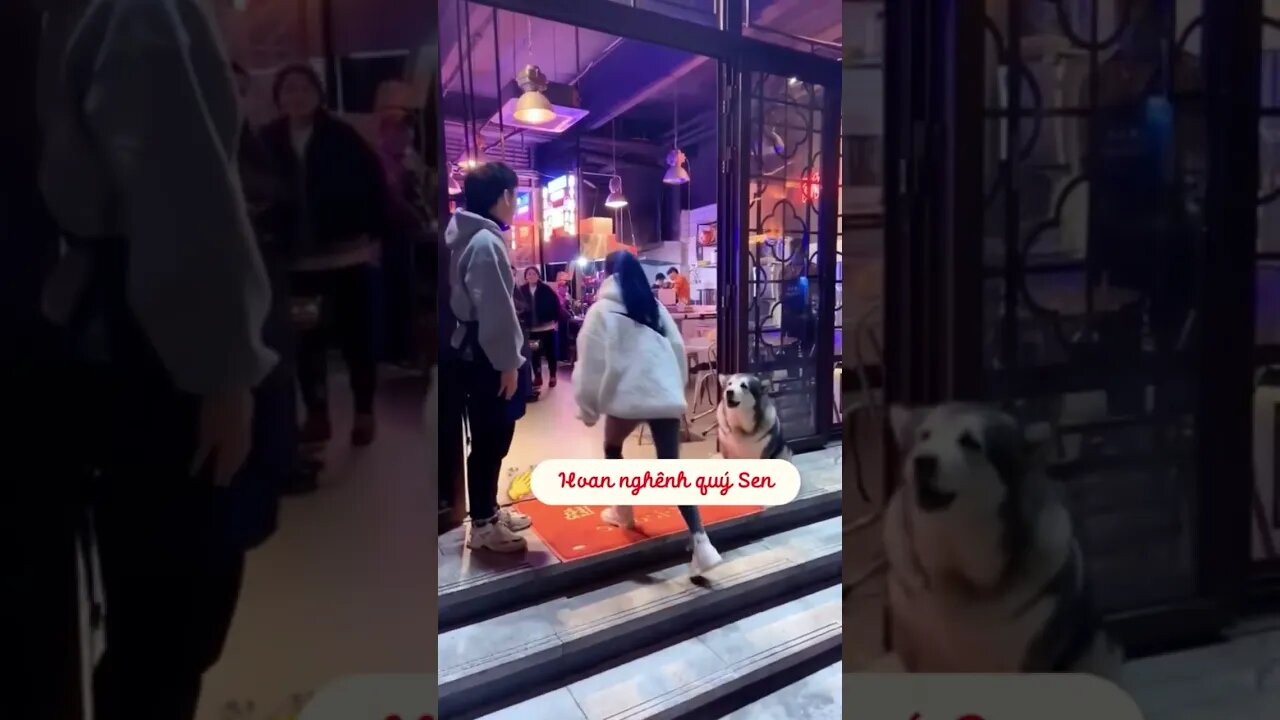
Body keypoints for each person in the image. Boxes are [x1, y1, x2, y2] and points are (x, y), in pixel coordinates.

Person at [30, 1, 278, 717]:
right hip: (154, 343)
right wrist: (225, 372)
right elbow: (183, 196)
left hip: (85, 322)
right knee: (176, 614)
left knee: (135, 597)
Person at [261, 63, 390, 448]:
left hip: (346, 255)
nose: (296, 96)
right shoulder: (267, 139)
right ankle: (317, 413)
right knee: (306, 342)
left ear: (318, 94)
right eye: (288, 90)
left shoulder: (341, 136)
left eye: (303, 88)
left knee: (356, 337)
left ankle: (364, 411)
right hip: (296, 261)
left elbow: (373, 183)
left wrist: (371, 232)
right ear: (279, 98)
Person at [574, 251, 722, 575]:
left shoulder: (600, 311)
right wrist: (674, 387)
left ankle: (623, 511)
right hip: (663, 394)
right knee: (672, 467)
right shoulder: (654, 307)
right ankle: (701, 540)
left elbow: (589, 363)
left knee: (612, 448)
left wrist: (587, 408)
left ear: (607, 276)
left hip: (628, 398)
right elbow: (678, 349)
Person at [447, 162, 534, 552]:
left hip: (481, 353)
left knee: (493, 437)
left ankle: (489, 510)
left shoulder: (475, 237)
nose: (514, 204)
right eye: (514, 195)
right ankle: (482, 524)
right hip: (488, 358)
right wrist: (508, 363)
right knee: (491, 438)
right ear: (502, 197)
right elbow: (496, 310)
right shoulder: (484, 243)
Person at [517, 267, 563, 389]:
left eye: (534, 273)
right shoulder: (522, 291)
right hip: (532, 330)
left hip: (547, 328)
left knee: (550, 352)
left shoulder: (546, 289)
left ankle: (552, 375)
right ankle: (538, 376)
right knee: (535, 353)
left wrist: (555, 320)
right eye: (529, 274)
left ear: (538, 275)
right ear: (526, 276)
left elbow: (556, 305)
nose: (531, 276)